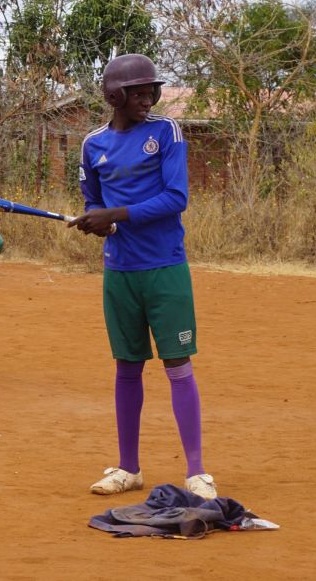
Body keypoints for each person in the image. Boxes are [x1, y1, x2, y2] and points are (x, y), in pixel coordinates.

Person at [68, 54, 217, 500]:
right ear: (114, 95)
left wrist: (119, 214)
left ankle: (196, 471)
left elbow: (176, 198)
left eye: (151, 90)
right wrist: (101, 222)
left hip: (165, 267)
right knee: (127, 368)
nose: (148, 98)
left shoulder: (166, 132)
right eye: (138, 91)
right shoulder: (93, 144)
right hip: (120, 272)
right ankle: (129, 468)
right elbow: (93, 201)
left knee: (178, 365)